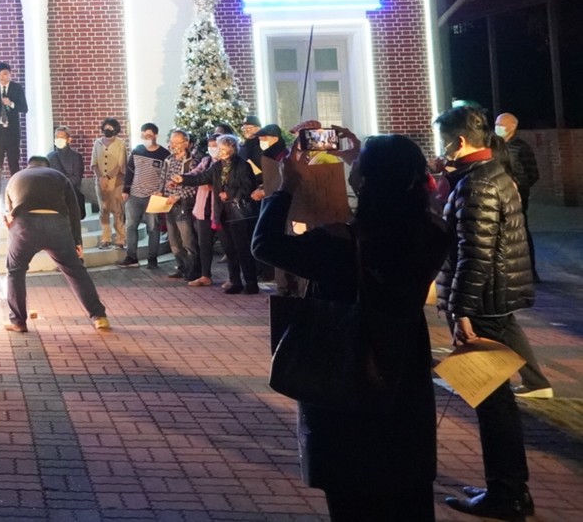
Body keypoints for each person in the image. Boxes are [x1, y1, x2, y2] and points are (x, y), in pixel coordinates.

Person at [251, 134, 450, 522]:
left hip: (346, 375)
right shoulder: (432, 233)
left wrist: (286, 185)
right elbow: (403, 193)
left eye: (358, 169)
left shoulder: (339, 243)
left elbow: (265, 245)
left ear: (364, 181)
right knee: (408, 493)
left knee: (354, 498)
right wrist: (365, 160)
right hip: (403, 375)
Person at [436, 106, 543, 519]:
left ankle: (508, 492)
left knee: (493, 402)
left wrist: (461, 311)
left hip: (484, 304)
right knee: (494, 401)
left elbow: (474, 254)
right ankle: (508, 485)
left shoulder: (478, 184)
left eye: (443, 139)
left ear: (459, 141)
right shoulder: (490, 173)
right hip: (494, 298)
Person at [3, 158, 109, 334]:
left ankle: (18, 321)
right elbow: (74, 211)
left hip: (24, 226)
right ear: (47, 166)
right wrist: (77, 241)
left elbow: (9, 213)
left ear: (29, 165)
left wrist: (14, 231)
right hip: (56, 225)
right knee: (75, 271)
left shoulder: (16, 177)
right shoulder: (58, 176)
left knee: (15, 272)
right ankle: (99, 317)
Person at [210, 133, 264, 293]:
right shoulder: (217, 166)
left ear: (231, 149)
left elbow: (247, 187)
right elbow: (202, 177)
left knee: (243, 250)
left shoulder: (242, 165)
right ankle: (235, 282)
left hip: (239, 214)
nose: (219, 151)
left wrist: (231, 194)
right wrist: (182, 179)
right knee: (230, 250)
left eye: (222, 148)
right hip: (224, 213)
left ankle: (251, 283)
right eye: (219, 148)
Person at [160, 130, 213, 283]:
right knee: (174, 241)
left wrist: (178, 195)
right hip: (168, 204)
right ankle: (181, 266)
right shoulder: (169, 159)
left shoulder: (193, 161)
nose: (173, 145)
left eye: (177, 142)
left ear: (185, 143)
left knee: (187, 240)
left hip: (184, 204)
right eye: (171, 142)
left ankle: (193, 270)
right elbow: (163, 178)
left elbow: (194, 183)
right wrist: (160, 190)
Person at [495, 112, 542, 283]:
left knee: (521, 231)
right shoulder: (495, 146)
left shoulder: (522, 147)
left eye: (500, 125)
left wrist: (521, 187)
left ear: (512, 127)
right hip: (500, 193)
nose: (497, 128)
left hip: (518, 195)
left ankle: (530, 270)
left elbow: (532, 173)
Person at [118, 122, 170, 268]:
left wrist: (161, 192)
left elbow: (166, 176)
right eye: (143, 135)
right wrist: (126, 190)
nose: (146, 138)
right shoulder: (137, 151)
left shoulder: (164, 154)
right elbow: (130, 171)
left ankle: (152, 258)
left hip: (153, 197)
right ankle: (131, 256)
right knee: (131, 226)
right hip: (135, 195)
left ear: (155, 135)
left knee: (153, 227)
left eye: (149, 135)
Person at [0, 62, 27, 185]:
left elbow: (24, 108)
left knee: (14, 162)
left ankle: (16, 188)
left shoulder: (17, 88)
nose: (1, 77)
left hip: (12, 132)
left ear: (10, 74)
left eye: (4, 74)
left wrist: (11, 104)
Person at [90, 118, 128, 249]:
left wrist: (108, 177)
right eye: (106, 128)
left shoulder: (120, 144)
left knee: (117, 210)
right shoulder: (97, 143)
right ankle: (105, 238)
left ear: (116, 129)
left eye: (111, 128)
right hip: (100, 182)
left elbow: (120, 164)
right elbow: (94, 163)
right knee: (104, 210)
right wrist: (101, 177)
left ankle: (120, 238)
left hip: (116, 181)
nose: (108, 130)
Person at [44, 127, 86, 215]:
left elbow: (77, 177)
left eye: (61, 137)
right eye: (56, 137)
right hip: (55, 196)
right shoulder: (50, 157)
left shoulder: (76, 156)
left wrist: (62, 185)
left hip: (71, 194)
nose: (58, 139)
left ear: (69, 139)